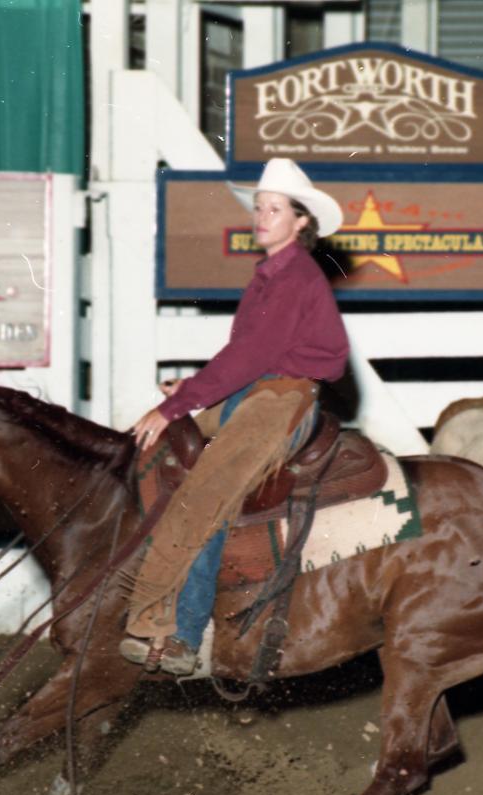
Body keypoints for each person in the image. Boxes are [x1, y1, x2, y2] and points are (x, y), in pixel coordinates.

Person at [120, 158, 349, 675]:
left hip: (284, 400)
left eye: (275, 210)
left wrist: (177, 403)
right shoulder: (269, 276)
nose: (262, 217)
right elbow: (247, 356)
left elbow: (250, 356)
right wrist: (195, 392)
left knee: (208, 491)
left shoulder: (293, 277)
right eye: (260, 208)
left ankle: (176, 629)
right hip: (256, 391)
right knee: (161, 457)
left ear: (301, 222)